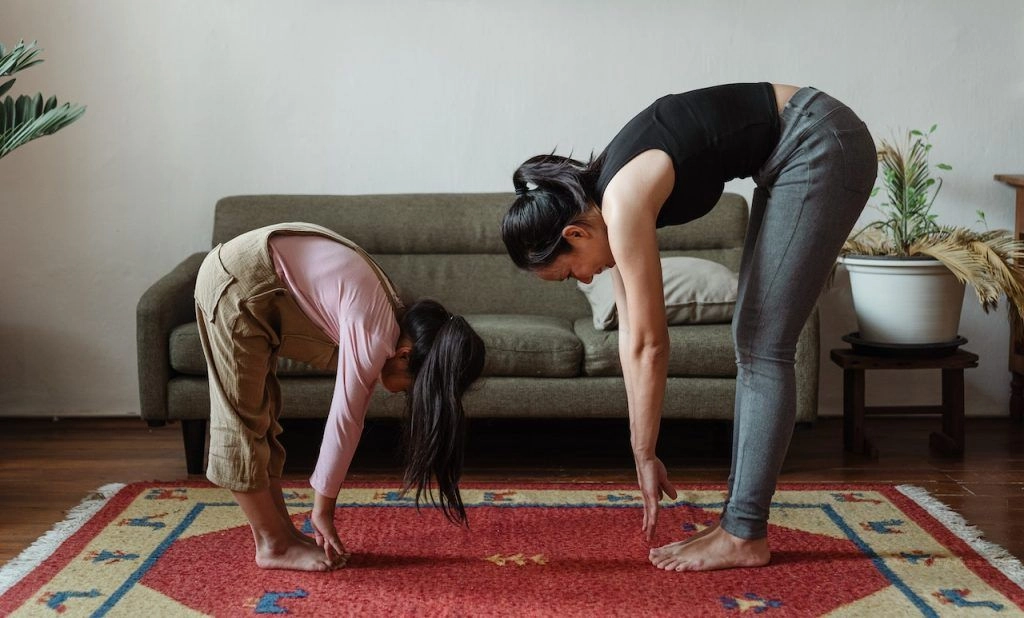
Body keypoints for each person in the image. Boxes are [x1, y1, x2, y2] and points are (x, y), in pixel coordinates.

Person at [501, 83, 876, 571]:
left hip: (820, 140)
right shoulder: (607, 200)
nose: (586, 278)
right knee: (754, 339)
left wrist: (645, 452)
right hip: (797, 150)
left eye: (572, 270)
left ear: (575, 234)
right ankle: (739, 528)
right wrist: (642, 449)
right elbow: (631, 338)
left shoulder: (622, 201)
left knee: (763, 345)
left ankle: (744, 535)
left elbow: (653, 344)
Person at [194, 222, 486, 572]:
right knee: (242, 425)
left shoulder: (388, 316)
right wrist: (323, 512)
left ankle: (282, 534)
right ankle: (273, 545)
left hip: (253, 282)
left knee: (262, 422)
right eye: (413, 387)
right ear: (405, 355)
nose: (405, 395)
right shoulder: (376, 334)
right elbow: (345, 420)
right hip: (238, 283)